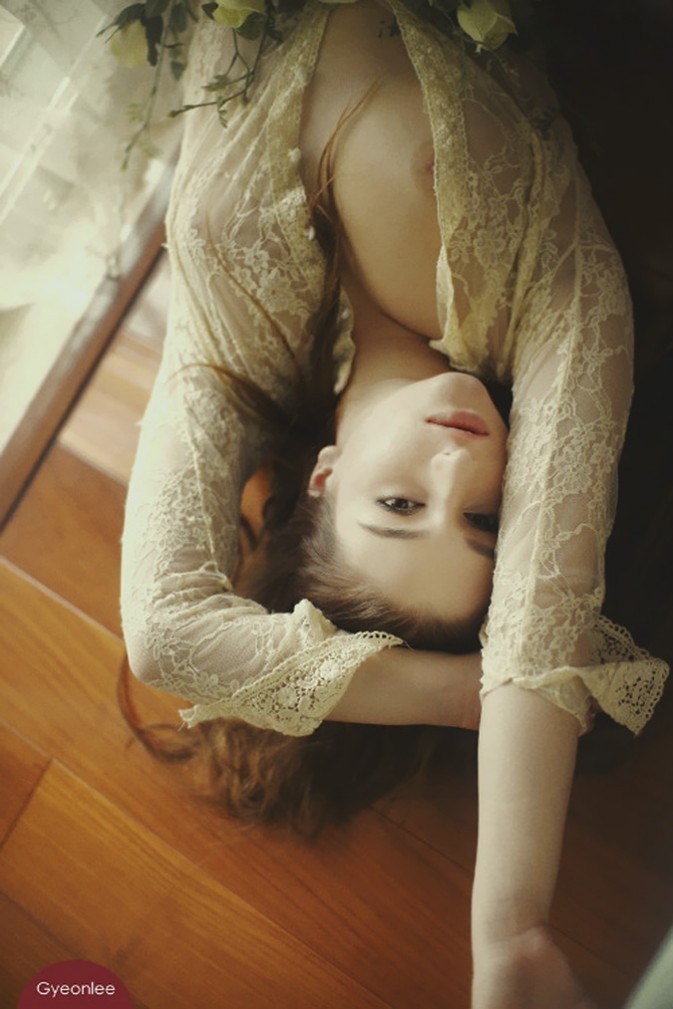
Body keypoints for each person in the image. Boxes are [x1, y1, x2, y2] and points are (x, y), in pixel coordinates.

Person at [119, 2, 669, 1006]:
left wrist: (451, 695)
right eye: (486, 522)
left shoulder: (224, 359)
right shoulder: (560, 307)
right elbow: (540, 623)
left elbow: (164, 637)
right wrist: (511, 930)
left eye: (401, 504)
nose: (458, 471)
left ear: (324, 477)